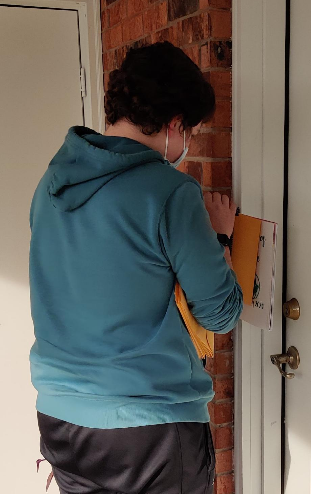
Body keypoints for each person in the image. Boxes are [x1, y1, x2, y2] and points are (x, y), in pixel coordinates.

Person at [29, 41, 243, 494]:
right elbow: (219, 313)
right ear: (174, 125)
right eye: (191, 132)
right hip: (147, 429)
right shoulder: (170, 191)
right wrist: (220, 235)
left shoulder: (51, 184)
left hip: (62, 421)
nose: (187, 145)